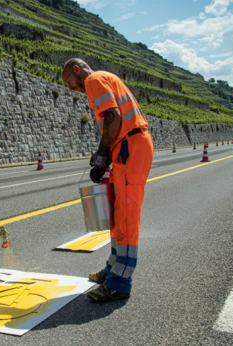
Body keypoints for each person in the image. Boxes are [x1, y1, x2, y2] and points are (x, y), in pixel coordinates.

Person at [62, 58, 154, 303]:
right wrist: (104, 157)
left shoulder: (93, 80)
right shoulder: (104, 79)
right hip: (127, 145)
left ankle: (120, 282)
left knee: (126, 215)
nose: (71, 89)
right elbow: (114, 120)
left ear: (77, 70)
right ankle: (113, 268)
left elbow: (112, 116)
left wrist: (103, 152)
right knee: (116, 212)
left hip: (130, 145)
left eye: (69, 83)